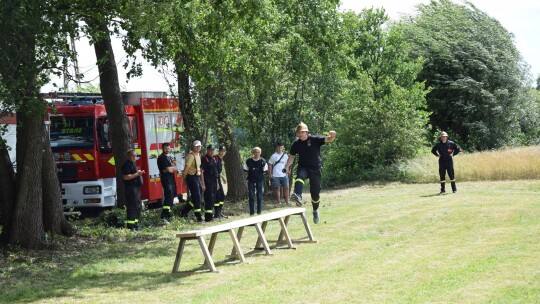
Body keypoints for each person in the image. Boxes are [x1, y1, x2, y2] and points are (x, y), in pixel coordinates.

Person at [285, 122, 336, 224]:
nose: (300, 134)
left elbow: (328, 139)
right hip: (303, 167)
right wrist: (287, 166)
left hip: (315, 168)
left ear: (306, 132)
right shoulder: (296, 144)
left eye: (302, 132)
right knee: (299, 177)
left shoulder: (314, 140)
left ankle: (315, 210)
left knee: (315, 194)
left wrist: (332, 135)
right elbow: (291, 156)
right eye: (298, 133)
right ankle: (298, 196)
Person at [180, 140, 203, 222]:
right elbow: (186, 168)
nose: (198, 147)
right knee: (197, 197)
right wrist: (184, 179)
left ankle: (184, 211)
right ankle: (198, 217)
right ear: (193, 147)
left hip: (197, 177)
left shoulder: (198, 155)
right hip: (191, 177)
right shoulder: (191, 156)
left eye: (199, 146)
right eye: (196, 146)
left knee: (198, 197)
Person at [121, 149, 144, 231]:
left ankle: (135, 225)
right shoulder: (126, 165)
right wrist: (137, 174)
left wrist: (139, 174)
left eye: (135, 155)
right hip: (130, 189)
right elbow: (126, 177)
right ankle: (130, 226)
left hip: (136, 188)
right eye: (132, 155)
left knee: (138, 207)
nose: (135, 157)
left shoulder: (133, 164)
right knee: (132, 207)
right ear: (128, 156)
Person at [244, 147, 268, 215]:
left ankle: (259, 212)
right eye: (255, 152)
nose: (257, 154)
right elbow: (246, 170)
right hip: (251, 180)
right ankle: (252, 212)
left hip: (259, 180)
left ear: (260, 153)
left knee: (259, 196)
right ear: (253, 153)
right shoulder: (248, 161)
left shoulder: (263, 161)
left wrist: (259, 176)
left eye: (258, 152)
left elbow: (264, 171)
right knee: (251, 196)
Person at [157, 142, 177, 223]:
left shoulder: (169, 157)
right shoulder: (161, 158)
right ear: (162, 149)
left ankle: (168, 214)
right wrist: (171, 168)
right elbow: (169, 169)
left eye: (168, 148)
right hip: (166, 179)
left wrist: (171, 168)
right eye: (166, 148)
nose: (167, 150)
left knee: (172, 196)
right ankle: (164, 216)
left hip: (171, 179)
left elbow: (175, 168)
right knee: (168, 197)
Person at [201, 145, 220, 222]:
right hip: (207, 182)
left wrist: (218, 183)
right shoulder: (204, 159)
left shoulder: (214, 158)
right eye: (210, 150)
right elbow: (201, 172)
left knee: (213, 199)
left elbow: (216, 173)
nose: (211, 151)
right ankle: (208, 218)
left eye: (213, 150)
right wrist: (203, 184)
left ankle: (211, 216)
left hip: (214, 182)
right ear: (207, 150)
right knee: (209, 200)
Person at [214, 145, 228, 219]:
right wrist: (217, 182)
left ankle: (219, 212)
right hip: (214, 179)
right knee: (218, 196)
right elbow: (215, 172)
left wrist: (223, 177)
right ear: (219, 151)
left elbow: (219, 171)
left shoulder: (221, 159)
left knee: (222, 196)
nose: (222, 152)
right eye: (221, 151)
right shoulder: (215, 158)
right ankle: (216, 214)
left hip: (218, 178)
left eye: (224, 151)